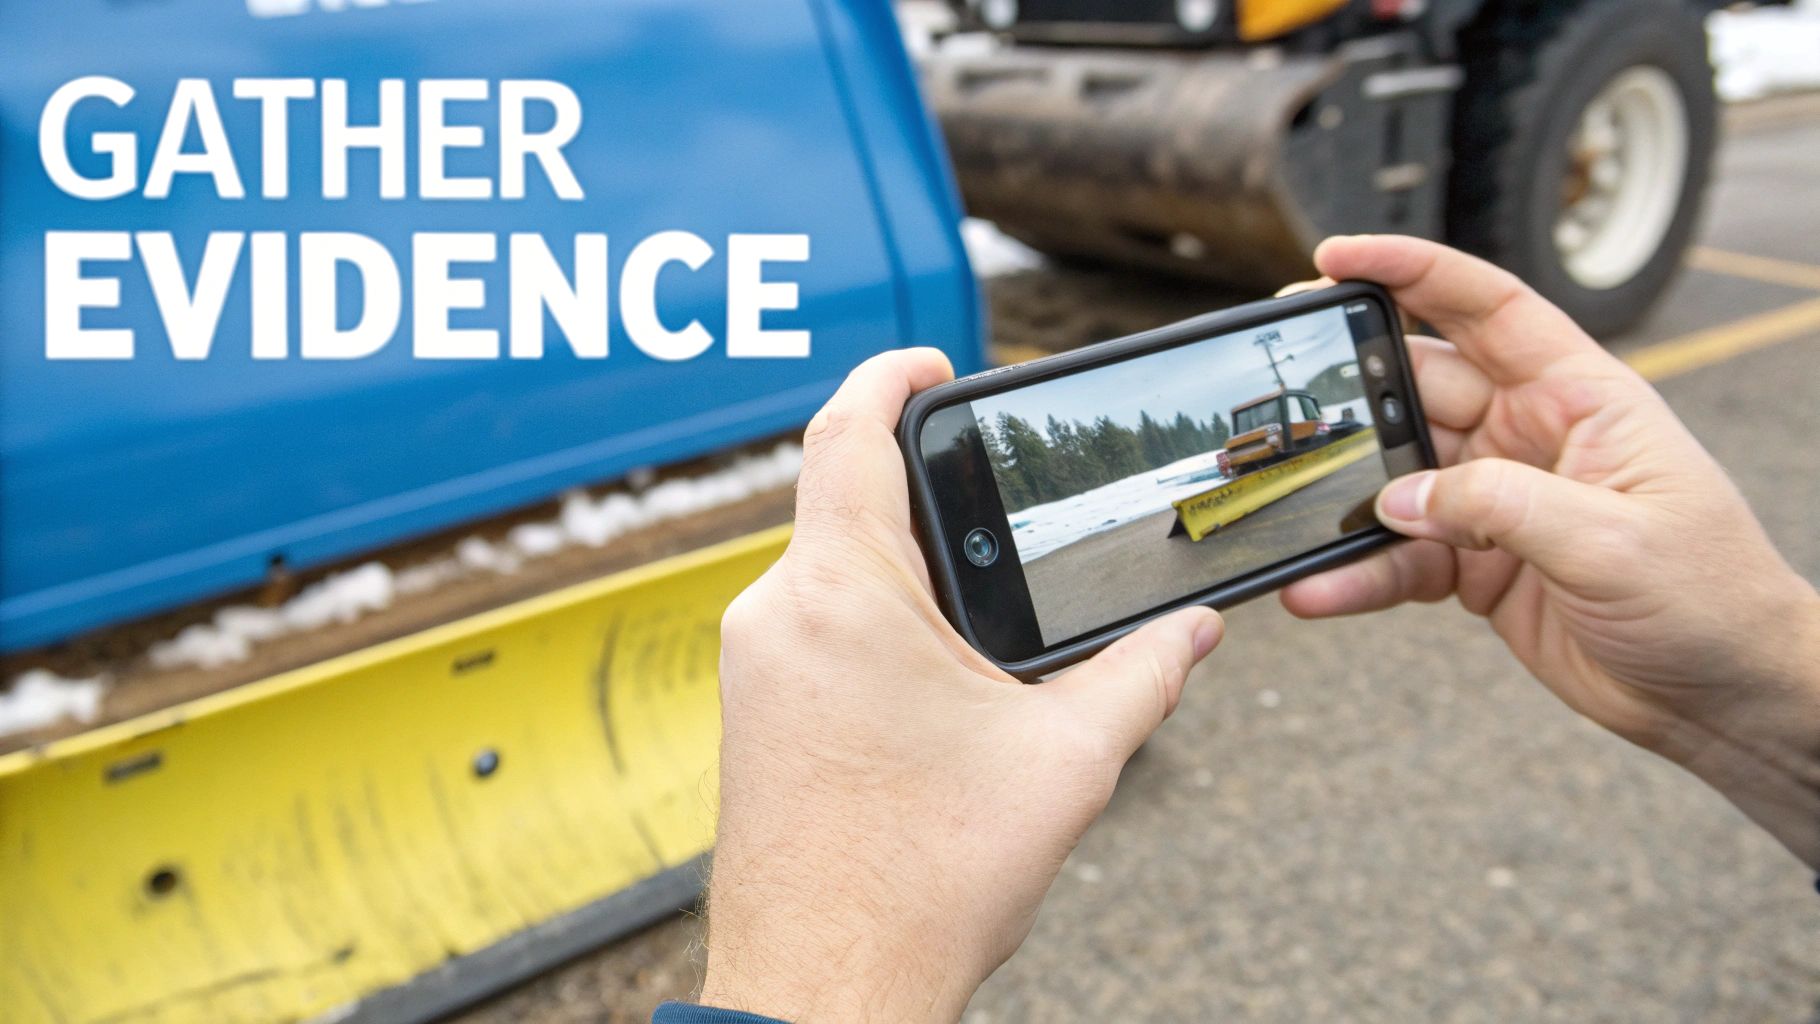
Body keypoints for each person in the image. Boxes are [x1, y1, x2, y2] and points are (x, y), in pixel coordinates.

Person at [655, 235, 1820, 1024]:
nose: (1261, 428)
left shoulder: (1306, 432)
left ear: (1288, 414)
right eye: (1256, 422)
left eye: (1275, 415)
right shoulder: (1238, 447)